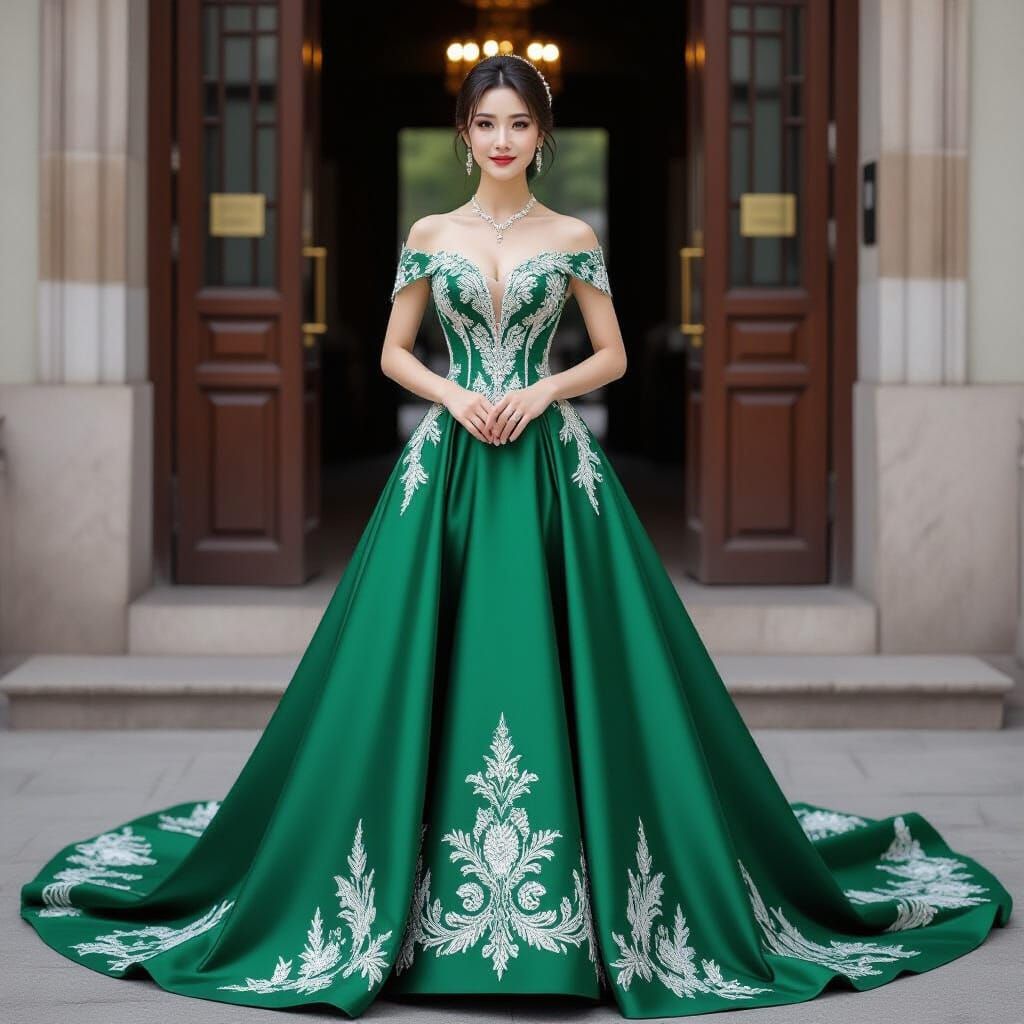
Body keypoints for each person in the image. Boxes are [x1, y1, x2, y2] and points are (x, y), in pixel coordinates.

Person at [19, 53, 1012, 1020]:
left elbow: (615, 354)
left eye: (519, 123)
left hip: (548, 472)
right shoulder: (429, 230)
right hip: (446, 469)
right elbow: (392, 350)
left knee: (572, 668)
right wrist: (454, 394)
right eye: (486, 123)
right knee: (415, 669)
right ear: (464, 134)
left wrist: (543, 387)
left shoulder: (571, 233)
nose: (502, 139)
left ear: (542, 135)